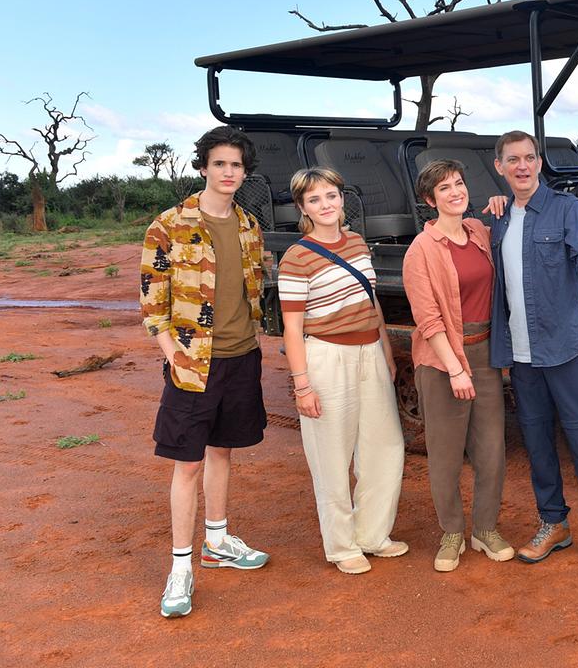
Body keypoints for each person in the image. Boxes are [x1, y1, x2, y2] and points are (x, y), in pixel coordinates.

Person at [141, 126, 270, 618]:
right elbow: (152, 298)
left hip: (241, 356)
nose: (228, 172)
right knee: (187, 463)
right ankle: (180, 568)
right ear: (203, 168)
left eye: (236, 164)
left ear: (244, 171)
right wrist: (171, 352)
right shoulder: (170, 225)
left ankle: (217, 541)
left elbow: (253, 289)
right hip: (193, 363)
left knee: (222, 450)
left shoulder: (249, 225)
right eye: (220, 163)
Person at [489, 130, 578, 574]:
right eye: (514, 160)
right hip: (522, 353)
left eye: (530, 158)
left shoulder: (567, 209)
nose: (523, 166)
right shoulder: (498, 218)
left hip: (567, 348)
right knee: (536, 442)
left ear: (539, 163)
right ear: (500, 167)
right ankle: (554, 523)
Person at [278, 168, 407, 575]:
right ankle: (341, 545)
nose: (325, 205)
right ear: (302, 208)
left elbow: (372, 301)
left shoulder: (357, 243)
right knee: (331, 456)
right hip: (326, 356)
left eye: (331, 196)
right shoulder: (296, 257)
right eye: (314, 199)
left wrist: (385, 350)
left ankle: (372, 534)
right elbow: (292, 328)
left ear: (342, 198)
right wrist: (302, 385)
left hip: (370, 351)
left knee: (385, 447)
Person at [403, 159, 513, 573]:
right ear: (430, 200)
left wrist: (502, 201)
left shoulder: (479, 232)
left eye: (459, 183)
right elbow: (428, 319)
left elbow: (511, 224)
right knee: (446, 454)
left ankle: (485, 529)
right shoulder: (421, 249)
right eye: (445, 188)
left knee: (491, 450)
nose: (456, 192)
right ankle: (451, 532)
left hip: (485, 353)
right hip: (442, 359)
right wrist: (454, 369)